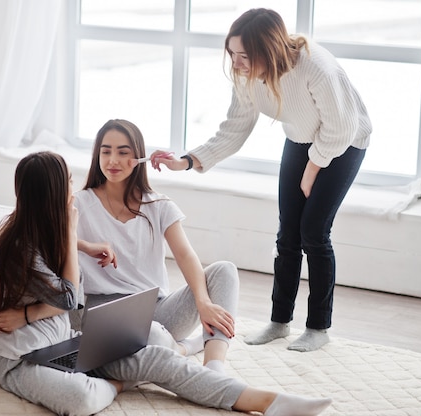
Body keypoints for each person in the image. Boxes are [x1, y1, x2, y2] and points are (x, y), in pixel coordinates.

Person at [0, 150, 332, 416]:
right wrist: (72, 231)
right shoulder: (18, 245)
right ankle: (118, 383)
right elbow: (72, 297)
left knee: (156, 355)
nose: (73, 189)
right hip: (24, 360)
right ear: (52, 194)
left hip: (65, 345)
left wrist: (81, 243)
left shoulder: (42, 228)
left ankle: (267, 401)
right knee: (82, 398)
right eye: (67, 183)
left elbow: (59, 282)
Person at [150, 8, 371, 353]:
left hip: (344, 141)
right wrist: (187, 161)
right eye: (232, 54)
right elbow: (234, 129)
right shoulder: (247, 76)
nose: (236, 64)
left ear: (268, 51)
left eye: (244, 56)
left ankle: (317, 327)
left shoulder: (315, 68)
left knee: (313, 231)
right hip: (301, 138)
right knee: (287, 234)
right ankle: (280, 322)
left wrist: (314, 167)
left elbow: (341, 127)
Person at [76, 118, 246, 373]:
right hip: (104, 316)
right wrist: (86, 245)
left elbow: (186, 255)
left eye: (123, 152)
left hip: (156, 311)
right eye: (106, 151)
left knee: (225, 271)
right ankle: (183, 348)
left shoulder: (158, 205)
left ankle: (214, 366)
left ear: (139, 158)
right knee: (153, 340)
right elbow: (46, 237)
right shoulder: (79, 203)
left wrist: (203, 303)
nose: (113, 160)